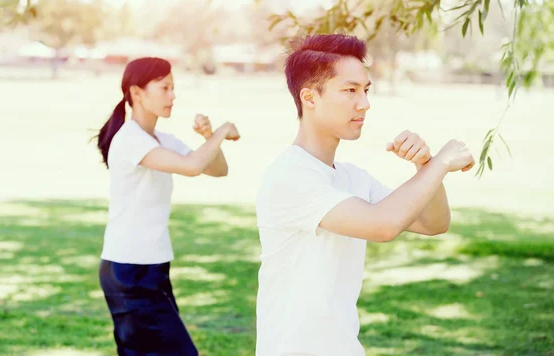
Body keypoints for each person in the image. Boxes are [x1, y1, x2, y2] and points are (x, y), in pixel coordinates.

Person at [255, 34, 475, 356]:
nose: (365, 103)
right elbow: (382, 226)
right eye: (350, 90)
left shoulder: (351, 177)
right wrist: (441, 163)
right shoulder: (290, 174)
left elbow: (433, 223)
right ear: (309, 98)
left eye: (366, 90)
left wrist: (425, 165)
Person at [95, 57, 240, 355]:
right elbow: (192, 166)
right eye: (164, 88)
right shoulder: (131, 139)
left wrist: (208, 137)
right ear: (136, 93)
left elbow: (217, 169)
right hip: (129, 269)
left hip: (151, 265)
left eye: (173, 87)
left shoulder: (161, 139)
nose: (173, 95)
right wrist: (222, 131)